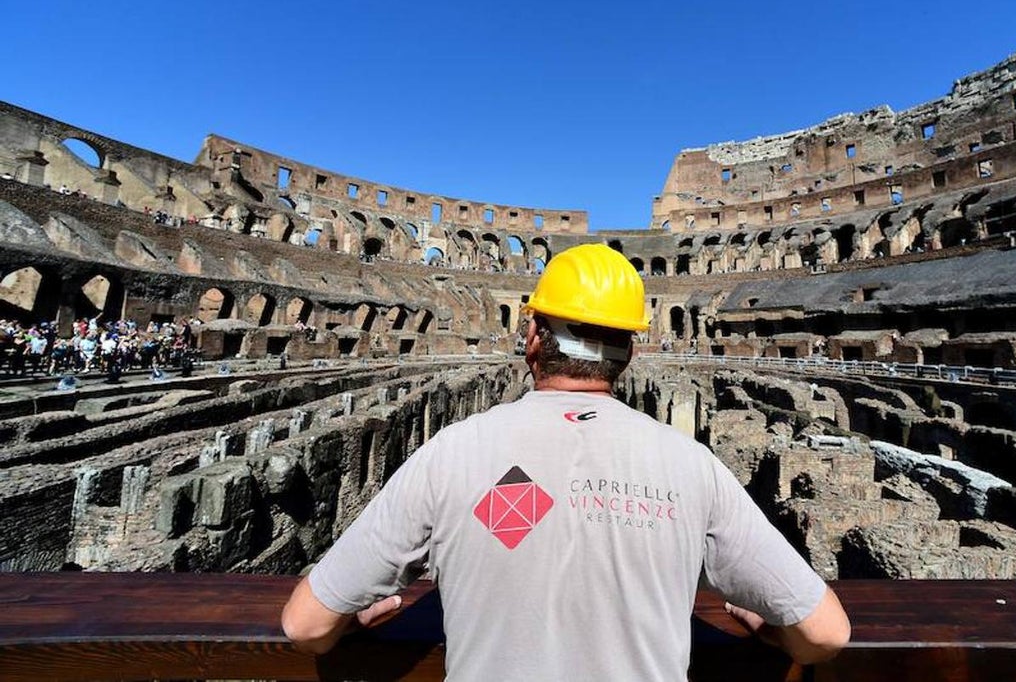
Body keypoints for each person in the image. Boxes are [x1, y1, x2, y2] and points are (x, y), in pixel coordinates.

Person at [282, 244, 850, 678]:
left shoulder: (454, 450)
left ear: (532, 335)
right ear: (629, 351)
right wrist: (774, 634)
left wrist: (350, 620)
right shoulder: (690, 464)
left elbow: (304, 626)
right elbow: (825, 635)